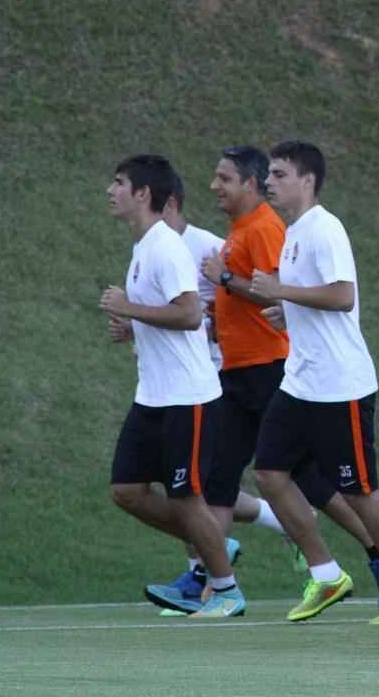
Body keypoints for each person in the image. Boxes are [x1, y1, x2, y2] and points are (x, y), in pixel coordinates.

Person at [249, 141, 379, 624]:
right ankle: (327, 574)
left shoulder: (325, 228)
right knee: (269, 472)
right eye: (269, 174)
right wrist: (289, 311)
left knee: (359, 491)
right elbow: (318, 298)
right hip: (301, 382)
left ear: (307, 180)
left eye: (279, 174)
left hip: (339, 385)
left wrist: (280, 290)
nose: (269, 182)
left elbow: (343, 296)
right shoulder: (295, 232)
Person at [101, 153, 244, 618]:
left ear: (143, 194)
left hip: (188, 396)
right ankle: (211, 539)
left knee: (187, 498)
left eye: (119, 183)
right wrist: (132, 325)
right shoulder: (142, 247)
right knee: (126, 489)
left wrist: (131, 309)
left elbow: (188, 314)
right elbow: (164, 316)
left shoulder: (166, 246)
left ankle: (224, 589)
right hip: (153, 395)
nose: (111, 191)